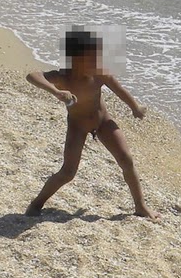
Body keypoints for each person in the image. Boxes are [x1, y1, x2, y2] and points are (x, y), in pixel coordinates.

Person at [25, 28, 154, 219]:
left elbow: (119, 89)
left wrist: (135, 107)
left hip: (103, 122)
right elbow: (32, 76)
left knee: (126, 160)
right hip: (77, 126)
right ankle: (36, 204)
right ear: (75, 59)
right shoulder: (63, 77)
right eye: (92, 58)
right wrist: (56, 91)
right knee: (68, 173)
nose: (98, 62)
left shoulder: (100, 74)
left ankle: (140, 206)